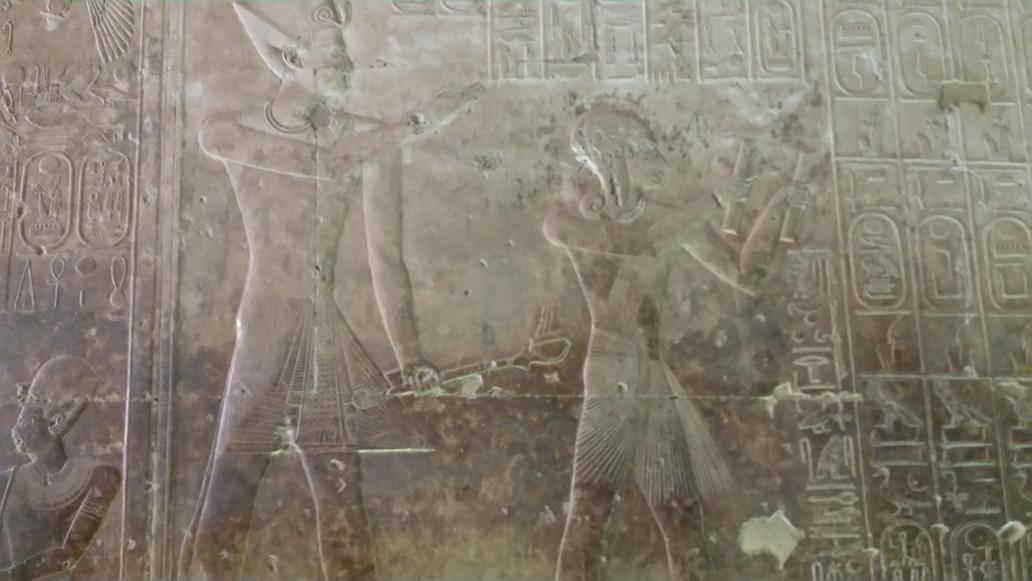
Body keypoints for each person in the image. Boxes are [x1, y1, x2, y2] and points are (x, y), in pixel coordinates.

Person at [182, 2, 483, 578]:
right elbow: (318, 163)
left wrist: (410, 355)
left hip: (326, 335)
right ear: (293, 58)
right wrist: (416, 124)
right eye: (335, 54)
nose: (349, 67)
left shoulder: (368, 140)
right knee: (232, 486)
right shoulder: (228, 131)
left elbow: (386, 260)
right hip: (267, 327)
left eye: (347, 55)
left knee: (342, 496)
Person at [546, 109, 802, 580]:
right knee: (590, 511)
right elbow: (637, 246)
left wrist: (780, 202)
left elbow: (747, 276)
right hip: (613, 369)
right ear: (612, 157)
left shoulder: (674, 220)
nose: (656, 159)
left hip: (653, 375)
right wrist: (712, 200)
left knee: (683, 522)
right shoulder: (566, 222)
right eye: (642, 149)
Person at [0, 356, 120, 581]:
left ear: (56, 421)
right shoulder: (5, 481)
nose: (16, 428)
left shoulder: (102, 477)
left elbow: (69, 553)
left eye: (26, 419)